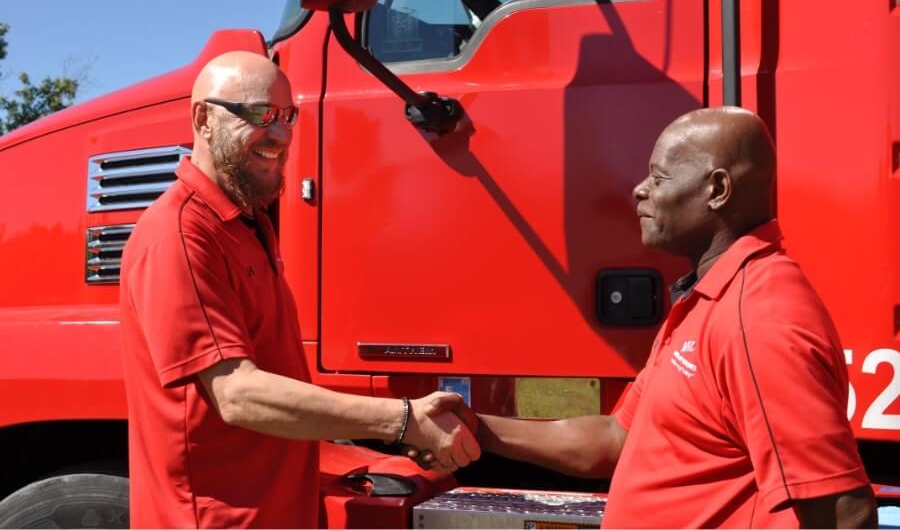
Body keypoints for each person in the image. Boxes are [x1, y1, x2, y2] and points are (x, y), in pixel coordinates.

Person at [412, 107, 877, 528]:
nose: (640, 189)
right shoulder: (709, 296)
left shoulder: (758, 316)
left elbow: (842, 511)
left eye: (659, 177)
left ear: (717, 190)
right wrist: (477, 428)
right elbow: (615, 439)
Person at [119, 51, 479, 528]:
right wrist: (400, 421)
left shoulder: (248, 223)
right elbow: (238, 393)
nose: (283, 134)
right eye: (259, 114)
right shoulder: (180, 235)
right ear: (202, 119)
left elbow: (276, 384)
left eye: (288, 115)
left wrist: (387, 437)